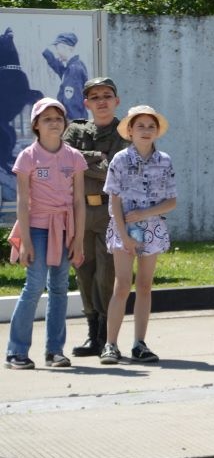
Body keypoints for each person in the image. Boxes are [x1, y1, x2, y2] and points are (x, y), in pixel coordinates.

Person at [6, 98, 86, 369]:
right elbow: (22, 201)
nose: (54, 122)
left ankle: (55, 351)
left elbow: (78, 202)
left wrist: (78, 238)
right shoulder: (27, 157)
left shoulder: (74, 157)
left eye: (58, 118)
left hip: (65, 229)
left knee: (60, 288)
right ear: (36, 126)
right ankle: (16, 351)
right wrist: (26, 241)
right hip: (37, 229)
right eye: (47, 119)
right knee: (34, 285)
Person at [100, 106, 177, 365]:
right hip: (123, 228)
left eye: (151, 126)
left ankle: (139, 344)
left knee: (144, 285)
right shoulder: (120, 160)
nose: (146, 131)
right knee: (122, 285)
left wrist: (146, 213)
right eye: (140, 126)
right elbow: (114, 202)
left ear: (157, 131)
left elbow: (171, 202)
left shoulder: (165, 160)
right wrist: (125, 237)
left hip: (152, 228)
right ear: (129, 131)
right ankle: (110, 345)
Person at [63, 77, 129, 358]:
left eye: (107, 95)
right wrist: (95, 157)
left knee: (106, 274)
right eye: (95, 96)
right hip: (79, 211)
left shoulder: (125, 133)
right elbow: (62, 162)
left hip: (110, 212)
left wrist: (80, 161)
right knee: (83, 271)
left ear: (117, 101)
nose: (101, 101)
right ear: (86, 103)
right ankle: (92, 334)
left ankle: (106, 336)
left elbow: (114, 170)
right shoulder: (75, 129)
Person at [41, 33, 89, 120]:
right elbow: (59, 69)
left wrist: (71, 126)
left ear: (65, 48)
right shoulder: (74, 65)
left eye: (57, 48)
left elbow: (72, 103)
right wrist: (46, 53)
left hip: (73, 123)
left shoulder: (73, 70)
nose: (57, 52)